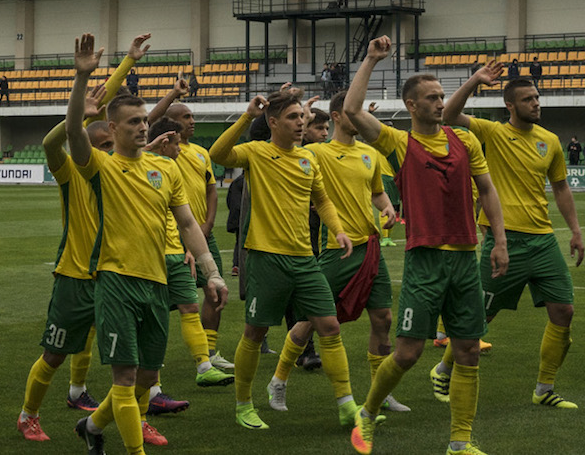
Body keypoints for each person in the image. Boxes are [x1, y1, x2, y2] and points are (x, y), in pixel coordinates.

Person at [343, 38, 509, 455]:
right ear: (412, 106)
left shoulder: (465, 142)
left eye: (441, 96)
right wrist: (372, 59)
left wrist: (499, 240)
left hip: (465, 258)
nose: (439, 103)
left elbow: (487, 190)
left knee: (468, 349)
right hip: (425, 260)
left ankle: (460, 441)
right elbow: (351, 111)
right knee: (408, 353)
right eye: (431, 98)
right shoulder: (399, 144)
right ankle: (368, 410)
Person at [63, 33, 227, 455]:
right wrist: (82, 80)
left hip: (157, 283)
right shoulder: (99, 165)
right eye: (133, 122)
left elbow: (188, 221)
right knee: (124, 375)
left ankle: (93, 426)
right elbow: (73, 135)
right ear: (113, 129)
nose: (141, 127)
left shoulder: (163, 169)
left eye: (144, 121)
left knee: (143, 379)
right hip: (116, 281)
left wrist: (211, 272)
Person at [208, 87, 357, 432]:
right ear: (273, 123)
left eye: (302, 117)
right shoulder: (257, 152)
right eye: (293, 117)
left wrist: (337, 230)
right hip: (266, 259)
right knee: (255, 332)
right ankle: (243, 404)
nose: (301, 123)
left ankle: (347, 404)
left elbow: (322, 199)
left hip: (305, 259)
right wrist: (247, 115)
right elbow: (219, 152)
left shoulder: (308, 159)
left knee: (330, 327)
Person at [19, 36, 145, 443]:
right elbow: (52, 141)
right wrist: (81, 84)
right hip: (75, 276)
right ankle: (28, 415)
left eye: (111, 144)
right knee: (55, 354)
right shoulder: (72, 172)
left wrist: (127, 61)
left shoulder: (121, 171)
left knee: (125, 361)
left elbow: (106, 105)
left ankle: (116, 414)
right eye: (102, 145)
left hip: (114, 276)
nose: (109, 150)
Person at [441, 61, 585, 411]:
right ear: (510, 105)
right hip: (504, 241)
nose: (536, 103)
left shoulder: (549, 141)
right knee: (478, 317)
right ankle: (444, 367)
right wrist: (475, 80)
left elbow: (561, 187)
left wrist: (576, 230)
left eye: (537, 97)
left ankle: (544, 388)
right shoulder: (491, 132)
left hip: (543, 240)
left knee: (564, 312)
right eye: (528, 99)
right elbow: (447, 115)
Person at [265, 91, 408, 417]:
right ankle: (279, 379)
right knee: (310, 321)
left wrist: (386, 208)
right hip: (335, 250)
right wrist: (301, 110)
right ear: (338, 116)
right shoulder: (317, 152)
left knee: (383, 319)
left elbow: (377, 192)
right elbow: (289, 151)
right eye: (352, 112)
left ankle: (380, 392)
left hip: (369, 248)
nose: (360, 117)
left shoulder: (368, 154)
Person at [148, 72, 236, 376]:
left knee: (215, 290)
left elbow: (212, 189)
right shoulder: (162, 150)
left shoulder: (201, 153)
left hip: (202, 233)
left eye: (192, 116)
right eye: (185, 117)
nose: (192, 121)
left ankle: (210, 353)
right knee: (170, 300)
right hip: (171, 237)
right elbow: (148, 121)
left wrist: (209, 224)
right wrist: (173, 94)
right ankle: (154, 361)